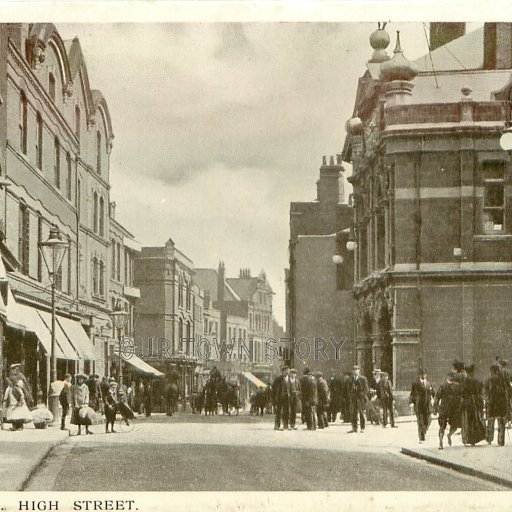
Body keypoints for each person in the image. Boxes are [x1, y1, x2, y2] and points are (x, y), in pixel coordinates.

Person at [434, 371, 463, 449]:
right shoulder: (443, 386)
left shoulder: (457, 386)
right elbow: (437, 396)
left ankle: (449, 435)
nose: (452, 377)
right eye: (451, 376)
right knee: (442, 426)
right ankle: (440, 442)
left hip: (454, 409)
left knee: (455, 425)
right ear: (448, 376)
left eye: (453, 376)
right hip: (444, 409)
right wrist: (435, 407)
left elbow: (460, 397)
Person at [485, 363, 510, 447]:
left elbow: (485, 391)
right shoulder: (504, 378)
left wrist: (487, 399)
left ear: (492, 371)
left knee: (491, 421)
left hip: (492, 403)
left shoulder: (489, 379)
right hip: (502, 403)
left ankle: (489, 439)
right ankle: (501, 441)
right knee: (501, 422)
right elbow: (509, 389)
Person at [461, 364, 486, 446]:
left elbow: (463, 392)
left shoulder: (466, 381)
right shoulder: (478, 380)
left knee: (470, 420)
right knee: (478, 418)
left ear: (468, 372)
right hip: (478, 401)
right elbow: (481, 390)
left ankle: (472, 439)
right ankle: (480, 436)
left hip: (469, 402)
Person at [409, 369, 434, 443]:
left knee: (428, 421)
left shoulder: (429, 383)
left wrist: (434, 400)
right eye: (421, 374)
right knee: (420, 422)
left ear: (426, 375)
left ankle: (424, 431)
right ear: (419, 375)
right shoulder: (415, 384)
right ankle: (421, 437)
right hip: (419, 405)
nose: (423, 376)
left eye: (424, 374)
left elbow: (433, 393)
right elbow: (412, 394)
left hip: (427, 405)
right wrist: (411, 402)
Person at [348, 365, 368, 433]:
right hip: (353, 398)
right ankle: (354, 428)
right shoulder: (351, 379)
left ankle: (362, 427)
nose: (355, 371)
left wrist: (362, 395)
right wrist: (350, 395)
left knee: (361, 413)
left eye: (356, 369)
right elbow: (349, 388)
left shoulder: (363, 379)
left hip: (360, 398)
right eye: (354, 369)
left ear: (359, 370)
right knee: (353, 413)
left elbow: (366, 389)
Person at [272, 366, 290, 430]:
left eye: (288, 370)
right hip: (279, 398)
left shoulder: (290, 379)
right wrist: (274, 399)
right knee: (278, 412)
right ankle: (277, 425)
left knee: (286, 412)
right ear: (282, 372)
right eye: (286, 371)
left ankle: (286, 425)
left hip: (287, 398)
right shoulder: (278, 379)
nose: (287, 372)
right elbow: (274, 390)